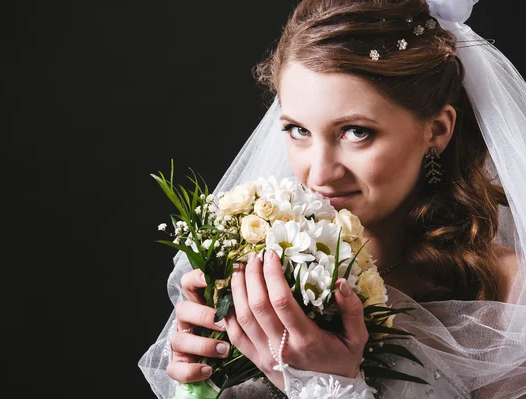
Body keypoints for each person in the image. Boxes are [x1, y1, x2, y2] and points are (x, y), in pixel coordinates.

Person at [139, 0, 526, 397]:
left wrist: (327, 386)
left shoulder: (512, 299)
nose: (320, 174)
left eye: (356, 132)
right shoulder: (261, 263)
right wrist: (202, 383)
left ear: (438, 129)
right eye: (297, 130)